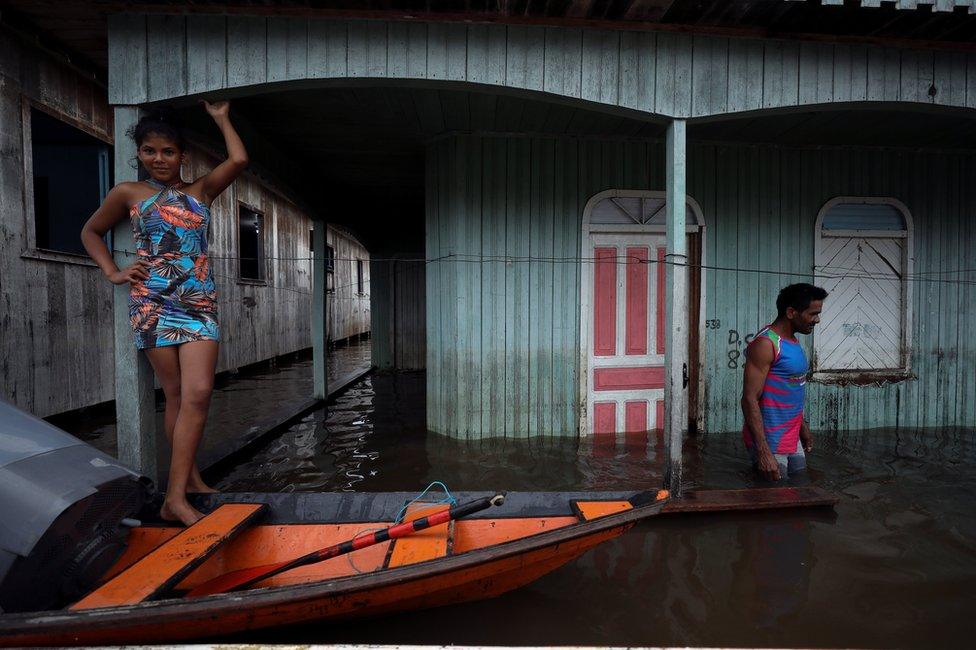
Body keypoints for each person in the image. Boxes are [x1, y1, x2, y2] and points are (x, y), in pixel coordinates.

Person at [81, 101, 248, 525]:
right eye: (150, 151)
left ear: (182, 156)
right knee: (176, 395)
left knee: (198, 393)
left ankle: (176, 494)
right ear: (139, 153)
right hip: (152, 303)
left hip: (198, 303)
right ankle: (185, 485)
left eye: (168, 152)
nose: (158, 159)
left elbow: (240, 159)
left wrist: (221, 118)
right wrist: (114, 272)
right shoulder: (127, 193)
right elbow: (90, 231)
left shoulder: (202, 192)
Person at [740, 283, 828, 482]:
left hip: (791, 435)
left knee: (799, 487)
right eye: (813, 314)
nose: (817, 320)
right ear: (791, 312)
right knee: (772, 497)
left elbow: (792, 389)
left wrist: (802, 426)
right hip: (770, 440)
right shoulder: (766, 344)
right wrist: (763, 451)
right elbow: (748, 399)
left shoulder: (793, 341)